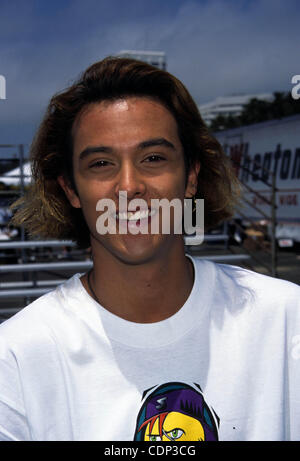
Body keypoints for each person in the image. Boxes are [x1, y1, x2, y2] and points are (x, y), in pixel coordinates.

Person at [0, 57, 299, 442]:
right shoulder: (16, 360)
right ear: (71, 189)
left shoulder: (286, 323)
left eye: (153, 158)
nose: (129, 187)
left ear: (191, 176)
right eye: (101, 163)